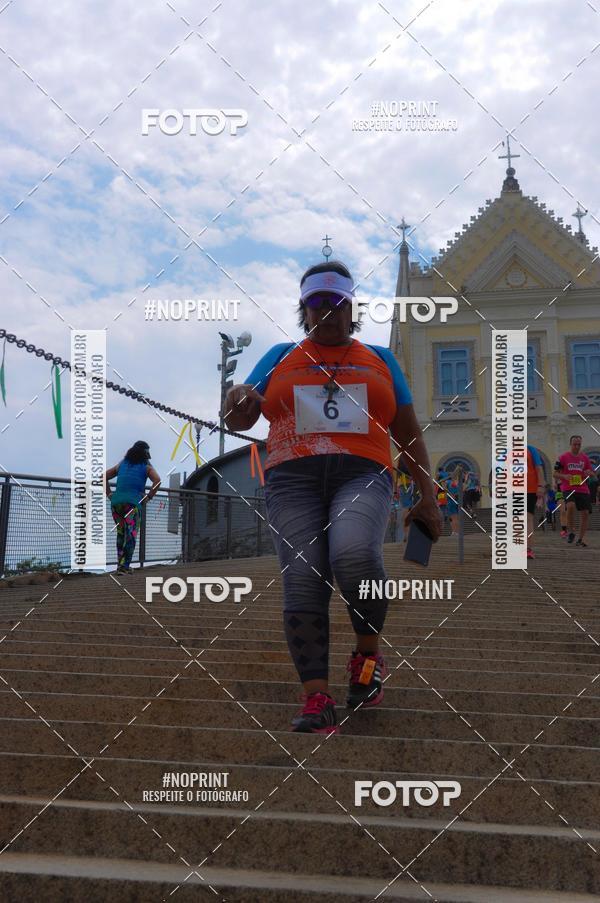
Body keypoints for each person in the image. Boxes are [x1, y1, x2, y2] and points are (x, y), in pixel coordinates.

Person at [224, 259, 441, 734]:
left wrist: (428, 495)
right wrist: (237, 398)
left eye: (337, 302)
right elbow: (240, 419)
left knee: (355, 554)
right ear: (304, 310)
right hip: (291, 479)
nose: (328, 312)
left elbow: (408, 433)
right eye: (317, 303)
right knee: (303, 575)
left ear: (352, 308)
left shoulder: (381, 359)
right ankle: (317, 698)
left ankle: (366, 660)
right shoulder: (281, 355)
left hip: (362, 473)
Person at [104, 441, 161, 573]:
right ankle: (124, 568)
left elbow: (103, 477)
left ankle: (120, 565)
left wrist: (109, 494)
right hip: (132, 504)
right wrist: (149, 496)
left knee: (121, 534)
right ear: (146, 454)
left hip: (116, 503)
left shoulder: (122, 464)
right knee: (131, 535)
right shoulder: (146, 465)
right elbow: (157, 480)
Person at [554, 435, 594, 547]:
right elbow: (555, 473)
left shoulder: (585, 458)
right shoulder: (563, 457)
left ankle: (580, 539)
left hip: (582, 488)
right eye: (574, 444)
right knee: (570, 506)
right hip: (568, 487)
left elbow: (591, 473)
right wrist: (564, 476)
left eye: (579, 444)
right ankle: (571, 531)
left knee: (585, 513)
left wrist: (589, 473)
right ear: (570, 444)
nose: (577, 446)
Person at [526, 445, 545, 559]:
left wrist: (541, 486)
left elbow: (539, 468)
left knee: (527, 518)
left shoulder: (531, 449)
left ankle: (528, 549)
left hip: (529, 489)